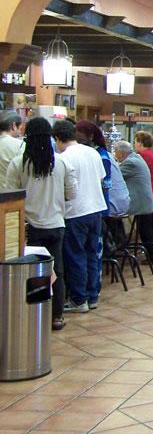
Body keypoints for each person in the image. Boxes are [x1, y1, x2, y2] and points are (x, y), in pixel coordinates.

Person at [6, 117, 77, 331]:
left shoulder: (18, 163)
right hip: (56, 223)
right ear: (49, 137)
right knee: (57, 270)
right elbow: (72, 193)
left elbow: (12, 197)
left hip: (29, 226)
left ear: (27, 136)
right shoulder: (61, 162)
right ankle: (56, 316)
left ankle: (33, 315)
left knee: (31, 272)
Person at [52, 119, 106, 313]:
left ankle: (78, 299)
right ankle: (92, 296)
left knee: (76, 256)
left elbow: (62, 188)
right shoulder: (93, 153)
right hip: (96, 209)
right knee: (92, 254)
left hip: (75, 212)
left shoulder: (63, 158)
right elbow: (101, 179)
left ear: (58, 138)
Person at [114, 140, 153, 263]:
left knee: (114, 215)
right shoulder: (137, 158)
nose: (115, 155)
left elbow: (115, 176)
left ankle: (120, 244)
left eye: (115, 153)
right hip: (144, 201)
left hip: (140, 203)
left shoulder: (130, 162)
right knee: (146, 231)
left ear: (121, 153)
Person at [134, 130, 153, 259]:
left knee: (144, 227)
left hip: (148, 192)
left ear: (140, 142)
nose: (134, 144)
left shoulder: (141, 156)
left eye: (136, 141)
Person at [75, 120, 112, 214]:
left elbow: (105, 185)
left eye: (80, 140)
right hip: (88, 205)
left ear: (91, 136)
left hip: (97, 207)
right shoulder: (84, 153)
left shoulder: (102, 156)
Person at [0, 111, 25, 188]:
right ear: (14, 126)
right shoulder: (20, 145)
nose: (20, 133)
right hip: (13, 192)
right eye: (20, 128)